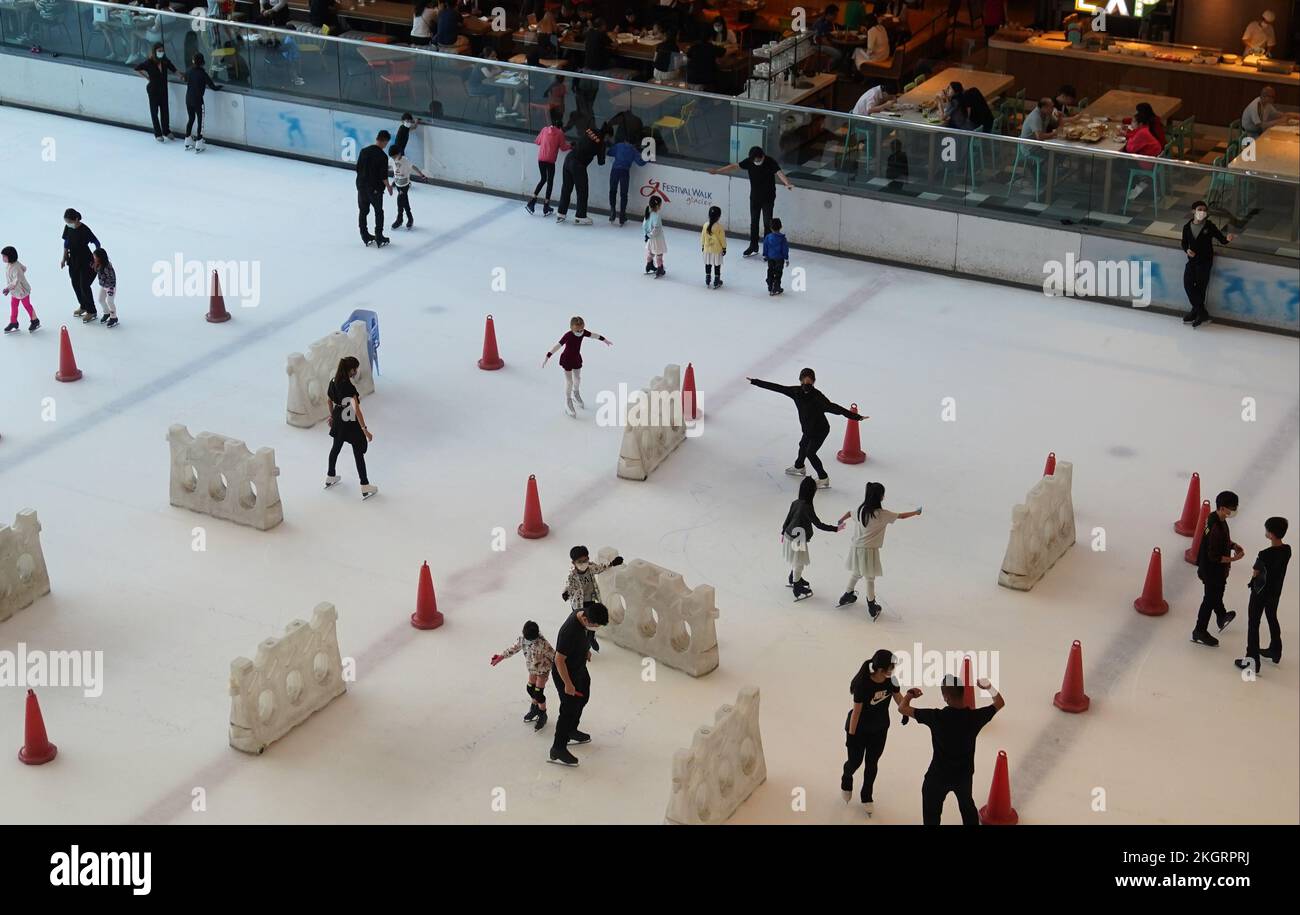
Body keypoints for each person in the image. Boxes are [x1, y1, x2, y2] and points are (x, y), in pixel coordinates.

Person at [900, 674, 1004, 825]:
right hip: (963, 776)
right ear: (963, 693)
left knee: (931, 815)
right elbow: (999, 703)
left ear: (945, 697)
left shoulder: (935, 717)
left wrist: (909, 695)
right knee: (967, 807)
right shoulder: (975, 717)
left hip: (937, 776)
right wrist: (988, 687)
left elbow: (902, 708)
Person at [748, 368, 866, 489]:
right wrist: (756, 382)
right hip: (808, 429)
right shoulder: (795, 391)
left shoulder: (818, 397)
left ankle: (823, 478)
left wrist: (856, 417)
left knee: (810, 453)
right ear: (800, 381)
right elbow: (777, 387)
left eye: (809, 383)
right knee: (803, 445)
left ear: (813, 382)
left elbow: (836, 408)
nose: (806, 385)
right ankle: (799, 467)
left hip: (820, 430)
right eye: (804, 382)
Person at [842, 650, 915, 816]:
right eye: (890, 668)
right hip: (859, 730)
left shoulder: (891, 681)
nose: (893, 671)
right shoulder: (863, 684)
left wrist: (905, 711)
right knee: (855, 762)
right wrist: (852, 736)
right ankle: (846, 778)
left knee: (872, 764)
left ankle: (866, 796)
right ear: (880, 670)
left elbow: (898, 698)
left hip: (879, 730)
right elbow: (856, 713)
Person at [839, 482, 921, 617]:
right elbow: (901, 516)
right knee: (870, 578)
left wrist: (840, 520)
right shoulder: (882, 514)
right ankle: (872, 605)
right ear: (880, 497)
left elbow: (849, 513)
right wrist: (916, 512)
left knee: (857, 573)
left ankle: (847, 595)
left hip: (856, 548)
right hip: (869, 550)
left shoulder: (861, 510)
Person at [548, 601, 609, 766]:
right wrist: (567, 684)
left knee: (583, 698)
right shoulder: (569, 631)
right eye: (596, 625)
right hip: (565, 673)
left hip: (579, 667)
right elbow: (559, 660)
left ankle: (571, 730)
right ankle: (558, 748)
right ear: (587, 620)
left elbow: (584, 637)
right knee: (568, 709)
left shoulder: (585, 612)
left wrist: (585, 650)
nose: (597, 628)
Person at [709, 147, 793, 257]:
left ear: (762, 156)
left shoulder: (770, 161)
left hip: (768, 198)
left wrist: (787, 183)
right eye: (754, 160)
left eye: (757, 160)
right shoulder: (750, 161)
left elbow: (779, 173)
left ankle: (767, 249)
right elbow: (734, 166)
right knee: (754, 222)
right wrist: (717, 171)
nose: (755, 162)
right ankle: (753, 245)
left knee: (768, 223)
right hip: (755, 197)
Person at [780, 476, 850, 601]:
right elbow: (818, 524)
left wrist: (782, 532)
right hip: (798, 539)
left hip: (789, 535)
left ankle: (794, 578)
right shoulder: (807, 507)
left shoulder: (796, 502)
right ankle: (797, 587)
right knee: (799, 563)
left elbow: (788, 519)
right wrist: (836, 528)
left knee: (796, 560)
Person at [1236, 517, 1290, 673]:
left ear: (1271, 534)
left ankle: (1252, 660)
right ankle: (1275, 649)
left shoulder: (1264, 554)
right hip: (1275, 592)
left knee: (1254, 623)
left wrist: (1253, 580)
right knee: (1272, 617)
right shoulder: (1287, 550)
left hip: (1260, 593)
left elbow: (1256, 572)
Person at [1193, 490, 1244, 647]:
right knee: (1209, 599)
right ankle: (1199, 630)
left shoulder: (1217, 519)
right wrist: (1233, 559)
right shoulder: (1216, 526)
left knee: (1217, 593)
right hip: (1212, 571)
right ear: (1222, 508)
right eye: (1231, 508)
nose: (1233, 510)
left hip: (1215, 571)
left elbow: (1222, 541)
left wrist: (1233, 545)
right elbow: (1214, 556)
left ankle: (1221, 616)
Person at [324, 355, 377, 499]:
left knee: (336, 447)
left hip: (338, 418)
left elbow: (329, 401)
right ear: (351, 370)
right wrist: (365, 430)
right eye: (355, 369)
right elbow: (357, 410)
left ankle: (330, 475)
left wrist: (332, 416)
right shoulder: (349, 387)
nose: (356, 371)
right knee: (358, 451)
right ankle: (365, 485)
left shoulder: (333, 381)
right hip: (349, 421)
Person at [491, 620, 556, 731]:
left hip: (543, 670)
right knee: (530, 689)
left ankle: (542, 713)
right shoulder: (522, 640)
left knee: (538, 694)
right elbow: (513, 649)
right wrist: (500, 657)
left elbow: (554, 656)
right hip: (532, 668)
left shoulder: (543, 644)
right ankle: (535, 708)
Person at [543, 315, 612, 417]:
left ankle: (576, 393)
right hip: (567, 359)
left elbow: (594, 335)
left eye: (581, 329)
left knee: (578, 378)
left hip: (576, 359)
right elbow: (558, 345)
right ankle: (568, 401)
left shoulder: (583, 332)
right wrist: (548, 355)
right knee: (569, 381)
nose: (580, 332)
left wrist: (604, 340)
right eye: (577, 330)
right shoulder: (568, 335)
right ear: (572, 328)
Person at [1180, 201, 1234, 328]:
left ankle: (1196, 312)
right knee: (1187, 284)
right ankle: (1201, 312)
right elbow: (1184, 243)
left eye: (1204, 210)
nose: (1202, 212)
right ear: (1193, 211)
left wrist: (1228, 239)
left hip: (1204, 261)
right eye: (1199, 209)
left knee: (1200, 287)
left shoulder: (1209, 226)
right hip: (1192, 261)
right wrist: (1187, 250)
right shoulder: (1187, 227)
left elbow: (1222, 239)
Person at [561, 546, 624, 653]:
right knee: (581, 624)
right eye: (580, 562)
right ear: (573, 562)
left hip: (590, 600)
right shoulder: (572, 575)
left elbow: (600, 568)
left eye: (585, 560)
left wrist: (612, 563)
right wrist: (566, 592)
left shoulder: (590, 567)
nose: (583, 564)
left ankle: (591, 636)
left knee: (593, 620)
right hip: (578, 604)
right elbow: (569, 585)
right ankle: (583, 643)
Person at [554, 117, 605, 225]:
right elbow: (601, 162)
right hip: (578, 165)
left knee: (566, 188)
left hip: (569, 158)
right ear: (607, 135)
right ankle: (580, 216)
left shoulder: (590, 130)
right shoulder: (601, 143)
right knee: (582, 190)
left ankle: (561, 213)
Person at [526, 111, 570, 215]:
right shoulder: (560, 133)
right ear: (560, 126)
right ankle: (546, 206)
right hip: (550, 161)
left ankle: (532, 201)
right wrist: (571, 146)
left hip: (541, 159)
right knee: (550, 182)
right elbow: (563, 148)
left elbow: (537, 141)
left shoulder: (544, 129)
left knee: (543, 179)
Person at [355, 130, 394, 247]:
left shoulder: (363, 151)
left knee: (363, 211)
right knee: (378, 211)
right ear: (385, 141)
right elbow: (383, 176)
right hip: (375, 189)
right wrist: (388, 187)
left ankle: (364, 234)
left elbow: (358, 168)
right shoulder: (382, 156)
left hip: (361, 186)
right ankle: (379, 236)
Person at [60, 209, 100, 320]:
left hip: (86, 260)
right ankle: (83, 306)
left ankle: (92, 311)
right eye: (66, 221)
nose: (68, 223)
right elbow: (66, 243)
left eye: (69, 221)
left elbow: (97, 243)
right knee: (75, 284)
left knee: (84, 285)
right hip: (73, 259)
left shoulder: (85, 230)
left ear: (76, 219)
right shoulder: (68, 227)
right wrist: (64, 257)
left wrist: (97, 260)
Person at [134, 42, 178, 142]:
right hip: (153, 89)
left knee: (165, 110)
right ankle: (158, 133)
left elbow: (174, 69)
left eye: (162, 51)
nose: (161, 53)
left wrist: (181, 76)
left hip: (163, 89)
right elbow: (137, 69)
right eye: (159, 51)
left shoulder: (164, 61)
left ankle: (166, 130)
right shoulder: (149, 62)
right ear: (155, 52)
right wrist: (147, 77)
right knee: (154, 111)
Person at [183, 54, 220, 152]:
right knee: (200, 120)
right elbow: (213, 87)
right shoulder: (203, 74)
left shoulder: (189, 71)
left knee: (191, 118)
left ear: (193, 61)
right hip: (198, 100)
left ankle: (187, 139)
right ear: (203, 62)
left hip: (188, 99)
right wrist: (220, 87)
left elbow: (184, 78)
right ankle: (199, 142)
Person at [608, 132, 646, 225]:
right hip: (624, 172)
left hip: (615, 170)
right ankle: (622, 215)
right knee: (623, 194)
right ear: (633, 143)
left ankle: (613, 210)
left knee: (613, 191)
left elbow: (609, 152)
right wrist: (648, 158)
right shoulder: (633, 150)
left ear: (625, 140)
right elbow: (640, 163)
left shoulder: (618, 146)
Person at [1, 246, 39, 335]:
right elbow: (24, 268)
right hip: (15, 292)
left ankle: (35, 320)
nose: (2, 258)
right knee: (14, 306)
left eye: (4, 256)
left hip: (22, 291)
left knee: (27, 305)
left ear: (10, 256)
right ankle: (13, 322)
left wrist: (7, 288)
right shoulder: (11, 264)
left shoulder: (15, 267)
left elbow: (15, 281)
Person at [388, 145, 425, 231]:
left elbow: (413, 167)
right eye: (392, 157)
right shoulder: (391, 160)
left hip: (405, 184)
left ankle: (400, 219)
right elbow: (387, 166)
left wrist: (421, 175)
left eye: (394, 156)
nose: (393, 158)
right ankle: (409, 218)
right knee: (404, 200)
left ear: (399, 153)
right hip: (397, 183)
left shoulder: (405, 160)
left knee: (400, 199)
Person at [700, 204, 727, 289]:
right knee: (717, 265)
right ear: (718, 217)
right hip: (716, 250)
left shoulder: (705, 225)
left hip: (707, 249)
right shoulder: (719, 227)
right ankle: (716, 280)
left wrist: (702, 245)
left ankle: (708, 278)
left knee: (708, 264)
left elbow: (703, 236)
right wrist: (724, 247)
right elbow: (722, 239)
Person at [809, 5, 843, 72]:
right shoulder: (821, 23)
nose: (836, 17)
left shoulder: (828, 22)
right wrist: (834, 46)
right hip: (816, 45)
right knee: (838, 54)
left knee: (840, 50)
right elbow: (823, 40)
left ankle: (829, 68)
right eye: (835, 15)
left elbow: (830, 34)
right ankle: (824, 69)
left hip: (821, 43)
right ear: (829, 14)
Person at [91, 248, 119, 328]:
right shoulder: (98, 264)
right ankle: (107, 313)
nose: (94, 258)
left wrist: (109, 287)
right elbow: (97, 271)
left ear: (100, 257)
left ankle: (114, 317)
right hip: (104, 286)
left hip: (110, 287)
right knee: (100, 300)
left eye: (95, 257)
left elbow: (112, 278)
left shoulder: (107, 266)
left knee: (110, 301)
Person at [762, 217, 789, 296]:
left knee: (770, 270)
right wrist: (786, 258)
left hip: (770, 258)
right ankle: (776, 286)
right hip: (779, 259)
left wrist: (765, 255)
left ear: (770, 227)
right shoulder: (782, 239)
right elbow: (785, 249)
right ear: (781, 227)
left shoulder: (768, 237)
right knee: (778, 272)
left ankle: (770, 282)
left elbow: (765, 247)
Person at [643, 194, 667, 277]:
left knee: (651, 251)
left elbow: (644, 226)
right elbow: (656, 229)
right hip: (657, 238)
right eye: (660, 204)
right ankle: (660, 268)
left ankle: (649, 264)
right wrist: (650, 235)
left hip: (650, 238)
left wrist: (646, 235)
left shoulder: (648, 214)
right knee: (659, 253)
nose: (661, 206)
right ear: (657, 206)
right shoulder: (657, 216)